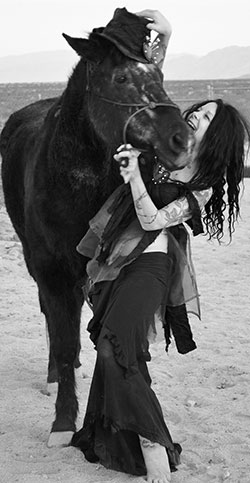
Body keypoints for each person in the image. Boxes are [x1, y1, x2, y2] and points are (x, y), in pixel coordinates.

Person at [71, 9, 250, 483]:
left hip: (151, 266)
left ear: (218, 136)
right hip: (114, 256)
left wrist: (133, 177)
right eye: (198, 109)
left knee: (114, 350)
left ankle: (156, 449)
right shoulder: (166, 142)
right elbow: (151, 68)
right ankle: (111, 438)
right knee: (121, 348)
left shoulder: (203, 184)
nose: (195, 114)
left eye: (207, 117)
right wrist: (164, 29)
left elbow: (152, 219)